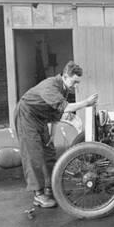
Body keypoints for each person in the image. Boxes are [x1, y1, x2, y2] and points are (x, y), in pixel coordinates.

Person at [13, 61, 98, 208]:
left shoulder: (64, 89)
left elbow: (54, 115)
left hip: (40, 118)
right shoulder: (50, 86)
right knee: (33, 154)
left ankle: (51, 188)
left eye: (78, 82)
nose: (76, 86)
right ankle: (39, 195)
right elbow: (67, 108)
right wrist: (86, 103)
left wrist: (51, 135)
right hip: (26, 116)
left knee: (49, 151)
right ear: (65, 76)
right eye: (75, 82)